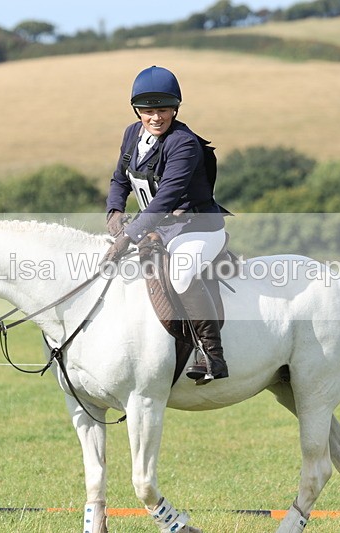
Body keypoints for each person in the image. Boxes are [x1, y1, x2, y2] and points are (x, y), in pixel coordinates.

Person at [103, 65, 229, 385]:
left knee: (181, 272)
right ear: (137, 111)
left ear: (175, 108)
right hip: (157, 227)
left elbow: (165, 198)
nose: (155, 118)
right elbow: (120, 179)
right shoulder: (132, 135)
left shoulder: (183, 143)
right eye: (148, 111)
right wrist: (114, 211)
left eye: (163, 110)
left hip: (197, 228)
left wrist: (127, 238)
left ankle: (211, 353)